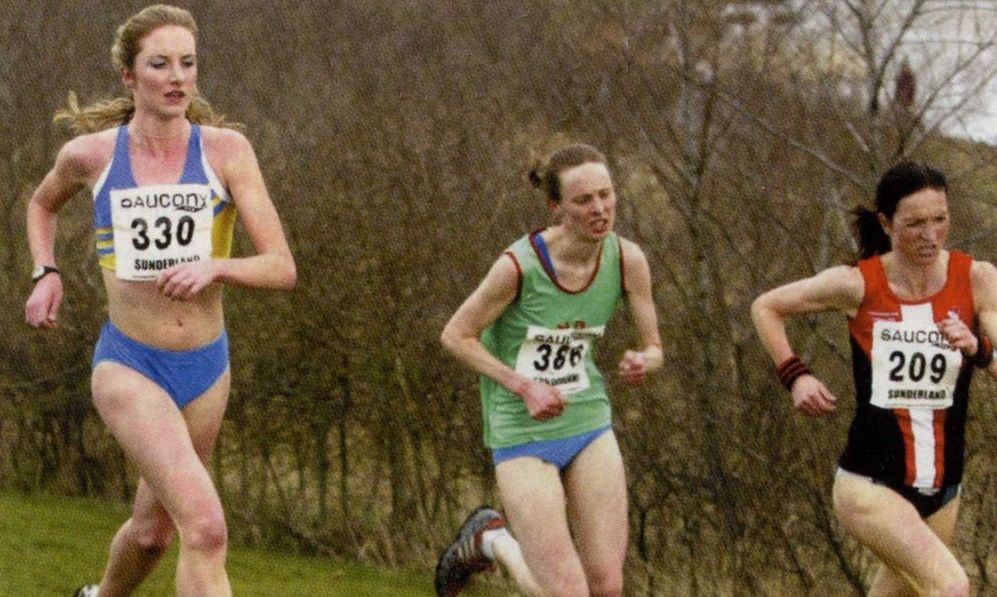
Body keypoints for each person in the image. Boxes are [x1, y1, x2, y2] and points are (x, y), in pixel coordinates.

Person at [23, 5, 296, 597]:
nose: (177, 77)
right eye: (160, 64)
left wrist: (215, 266)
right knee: (207, 527)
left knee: (154, 532)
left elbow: (281, 267)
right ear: (130, 76)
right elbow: (41, 205)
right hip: (130, 363)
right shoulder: (92, 156)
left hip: (205, 369)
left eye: (188, 63)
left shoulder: (226, 152)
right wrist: (46, 271)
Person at [751, 161, 996, 596]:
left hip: (943, 487)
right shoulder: (857, 284)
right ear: (886, 223)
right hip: (869, 483)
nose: (930, 234)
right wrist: (796, 375)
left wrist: (977, 348)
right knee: (951, 586)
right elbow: (766, 306)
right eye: (915, 223)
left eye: (940, 220)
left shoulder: (977, 279)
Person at [434, 144, 663, 597]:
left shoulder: (628, 260)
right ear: (556, 207)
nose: (600, 209)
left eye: (606, 194)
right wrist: (523, 386)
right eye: (583, 201)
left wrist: (644, 360)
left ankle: (491, 540)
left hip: (587, 423)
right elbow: (455, 335)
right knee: (566, 591)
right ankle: (490, 540)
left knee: (607, 586)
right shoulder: (518, 266)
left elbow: (655, 346)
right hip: (522, 433)